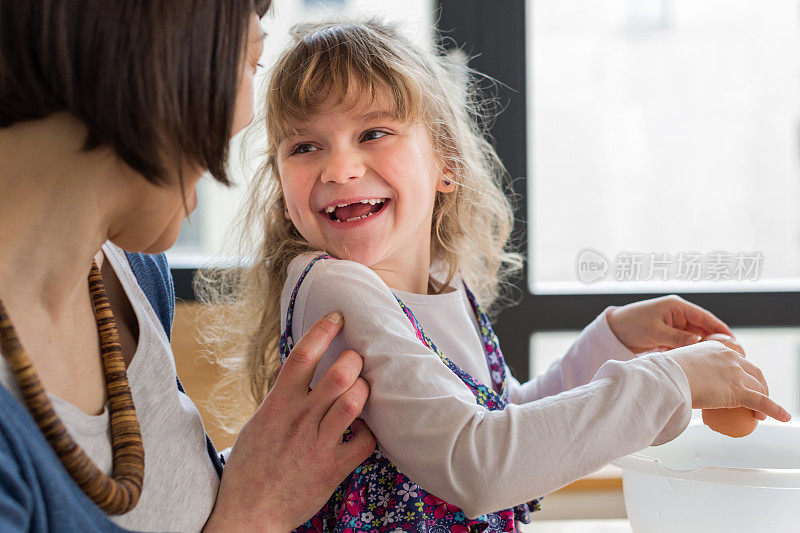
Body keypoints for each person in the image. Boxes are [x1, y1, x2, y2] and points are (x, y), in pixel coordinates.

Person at [207, 20, 792, 532]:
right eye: (305, 146)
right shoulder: (335, 286)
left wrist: (613, 340)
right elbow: (480, 466)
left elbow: (509, 432)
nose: (340, 167)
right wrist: (671, 381)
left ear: (445, 164)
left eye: (373, 133)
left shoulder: (443, 283)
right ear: (283, 195)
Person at [0, 2, 375, 531]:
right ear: (167, 47)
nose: (248, 116)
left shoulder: (133, 272)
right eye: (252, 57)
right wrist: (253, 516)